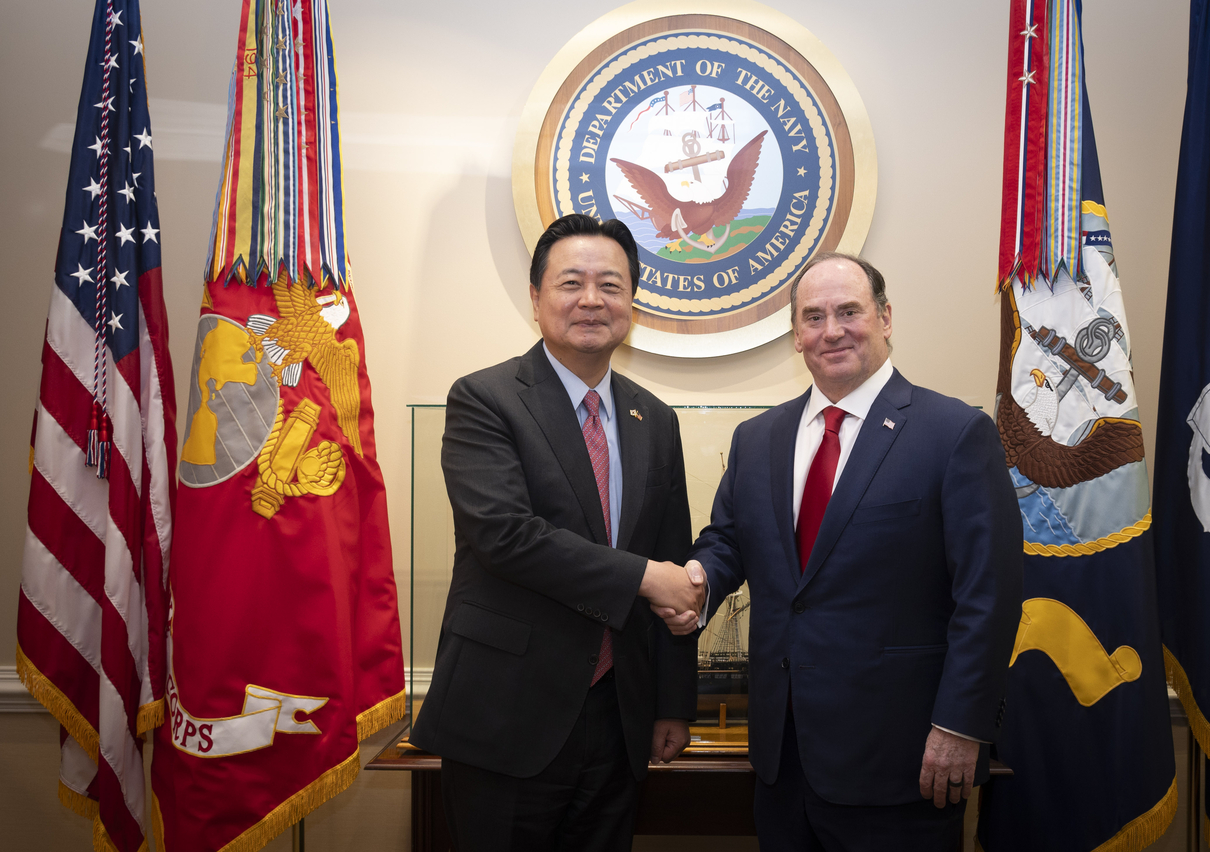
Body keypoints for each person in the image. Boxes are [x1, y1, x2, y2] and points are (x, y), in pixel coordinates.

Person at [658, 252, 1022, 851]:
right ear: (796, 336)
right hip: (783, 757)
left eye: (849, 311)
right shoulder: (758, 439)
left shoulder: (953, 433)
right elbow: (728, 540)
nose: (832, 330)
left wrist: (960, 725)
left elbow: (990, 593)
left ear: (884, 317)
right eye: (814, 316)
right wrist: (696, 581)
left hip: (903, 760)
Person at [408, 213, 704, 852]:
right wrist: (646, 578)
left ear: (633, 302)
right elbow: (505, 535)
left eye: (611, 285)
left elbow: (673, 558)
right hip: (504, 716)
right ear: (536, 298)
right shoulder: (484, 399)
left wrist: (673, 703)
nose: (592, 300)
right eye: (572, 282)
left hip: (618, 717)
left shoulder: (654, 417)